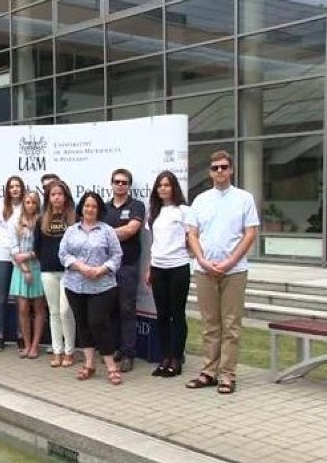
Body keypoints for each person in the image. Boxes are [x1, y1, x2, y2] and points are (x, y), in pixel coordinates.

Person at [185, 151, 259, 394]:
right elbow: (192, 234)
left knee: (231, 325)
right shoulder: (201, 200)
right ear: (210, 172)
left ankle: (228, 375)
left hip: (234, 271)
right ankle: (209, 372)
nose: (219, 171)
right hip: (204, 270)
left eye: (224, 167)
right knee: (210, 324)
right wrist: (202, 260)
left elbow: (250, 234)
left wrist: (230, 262)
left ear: (231, 170)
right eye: (215, 167)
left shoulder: (244, 198)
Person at [60, 191, 123, 385]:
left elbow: (117, 256)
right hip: (75, 285)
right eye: (87, 205)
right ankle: (89, 364)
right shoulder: (71, 230)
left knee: (98, 322)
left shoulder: (107, 231)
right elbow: (63, 254)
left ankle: (111, 365)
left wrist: (102, 269)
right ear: (81, 208)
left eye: (94, 206)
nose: (90, 209)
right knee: (83, 323)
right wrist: (81, 267)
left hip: (102, 286)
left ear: (99, 209)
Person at [145, 171, 191, 378]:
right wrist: (149, 268)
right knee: (162, 315)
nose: (163, 188)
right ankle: (164, 358)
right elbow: (153, 243)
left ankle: (176, 358)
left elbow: (192, 238)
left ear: (174, 187)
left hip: (178, 267)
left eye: (167, 185)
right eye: (160, 185)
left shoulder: (183, 211)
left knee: (177, 315)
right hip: (158, 267)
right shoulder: (154, 212)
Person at [102, 168, 145, 373]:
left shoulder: (136, 205)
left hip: (127, 266)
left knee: (127, 310)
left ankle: (128, 353)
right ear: (111, 184)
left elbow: (130, 230)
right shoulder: (104, 207)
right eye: (117, 182)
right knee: (110, 311)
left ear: (129, 185)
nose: (120, 185)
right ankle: (116, 349)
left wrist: (105, 233)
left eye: (124, 182)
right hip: (106, 268)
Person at [35, 179, 77, 368]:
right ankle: (57, 351)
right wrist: (45, 261)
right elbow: (37, 247)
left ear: (65, 196)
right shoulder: (40, 219)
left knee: (65, 311)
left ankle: (70, 351)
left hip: (69, 272)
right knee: (53, 312)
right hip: (48, 271)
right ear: (48, 198)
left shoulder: (74, 219)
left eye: (60, 194)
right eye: (53, 194)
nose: (56, 197)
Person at [0, 175, 26, 351]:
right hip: (2, 255)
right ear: (8, 190)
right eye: (11, 187)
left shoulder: (27, 207)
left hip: (21, 256)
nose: (15, 189)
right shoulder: (0, 207)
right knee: (0, 298)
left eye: (18, 186)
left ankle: (20, 335)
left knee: (20, 298)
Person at [8, 191, 46, 359]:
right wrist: (24, 268)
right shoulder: (15, 221)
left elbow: (44, 247)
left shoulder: (42, 221)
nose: (31, 205)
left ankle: (35, 346)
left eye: (34, 202)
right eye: (28, 202)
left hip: (37, 266)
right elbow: (13, 249)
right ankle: (27, 344)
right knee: (23, 308)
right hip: (20, 268)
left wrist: (29, 256)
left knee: (38, 308)